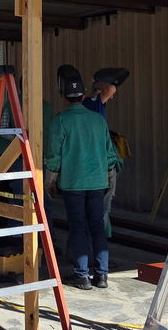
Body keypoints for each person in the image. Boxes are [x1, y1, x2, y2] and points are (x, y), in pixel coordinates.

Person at [45, 64, 119, 290]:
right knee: (97, 225)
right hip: (98, 182)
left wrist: (50, 181)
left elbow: (54, 156)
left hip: (73, 183)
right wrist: (110, 177)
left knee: (77, 227)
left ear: (63, 94)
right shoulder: (98, 120)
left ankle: (82, 276)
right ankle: (102, 275)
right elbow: (109, 153)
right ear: (83, 93)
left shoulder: (60, 121)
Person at [83, 67, 130, 230]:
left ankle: (97, 230)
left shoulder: (90, 104)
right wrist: (99, 83)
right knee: (103, 202)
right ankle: (99, 232)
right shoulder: (93, 103)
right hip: (100, 163)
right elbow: (111, 89)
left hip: (93, 162)